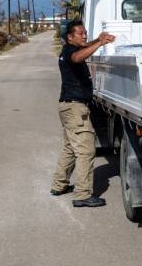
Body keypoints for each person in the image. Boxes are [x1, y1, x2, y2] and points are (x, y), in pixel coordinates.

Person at [50, 20, 115, 207]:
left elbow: (85, 46)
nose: (84, 36)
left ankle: (59, 185)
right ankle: (82, 195)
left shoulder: (71, 48)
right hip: (75, 108)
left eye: (86, 32)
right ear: (70, 37)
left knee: (70, 148)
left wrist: (98, 39)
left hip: (68, 107)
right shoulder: (70, 52)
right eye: (81, 33)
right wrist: (100, 43)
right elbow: (78, 57)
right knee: (86, 150)